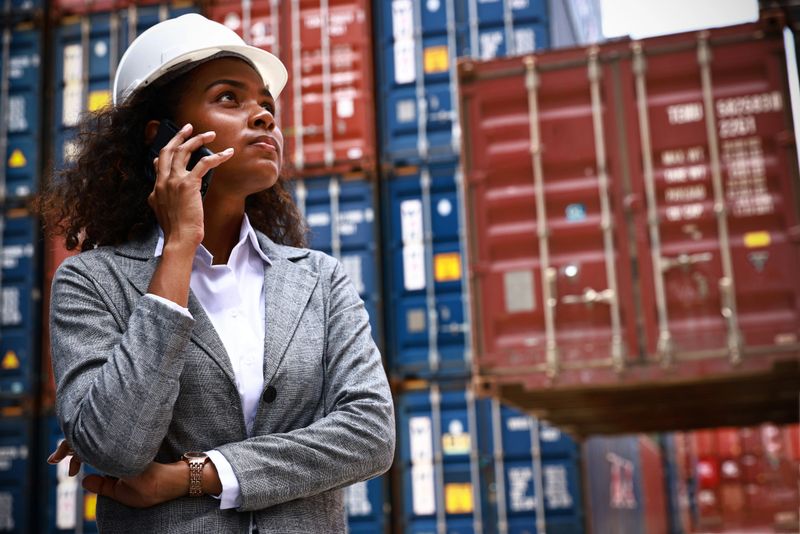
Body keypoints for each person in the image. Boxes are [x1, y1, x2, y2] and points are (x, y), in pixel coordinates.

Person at [39, 13, 395, 533]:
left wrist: (195, 476)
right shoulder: (91, 283)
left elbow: (371, 435)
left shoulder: (319, 280)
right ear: (162, 138)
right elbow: (115, 446)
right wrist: (179, 246)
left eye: (267, 105)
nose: (264, 116)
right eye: (229, 98)